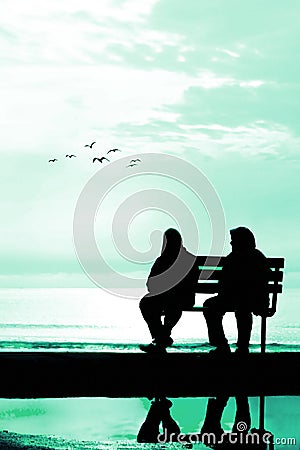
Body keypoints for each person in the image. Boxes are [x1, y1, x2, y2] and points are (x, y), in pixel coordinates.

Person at [203, 226, 270, 355]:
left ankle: (223, 344)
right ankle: (239, 346)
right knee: (236, 307)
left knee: (233, 307)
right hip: (251, 299)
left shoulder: (237, 258)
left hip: (246, 299)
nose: (231, 243)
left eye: (233, 240)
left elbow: (224, 282)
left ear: (241, 241)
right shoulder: (257, 257)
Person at [139, 228, 199, 353]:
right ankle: (162, 337)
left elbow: (150, 284)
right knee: (160, 302)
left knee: (147, 303)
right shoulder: (190, 259)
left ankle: (160, 338)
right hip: (185, 299)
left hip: (174, 299)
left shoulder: (162, 260)